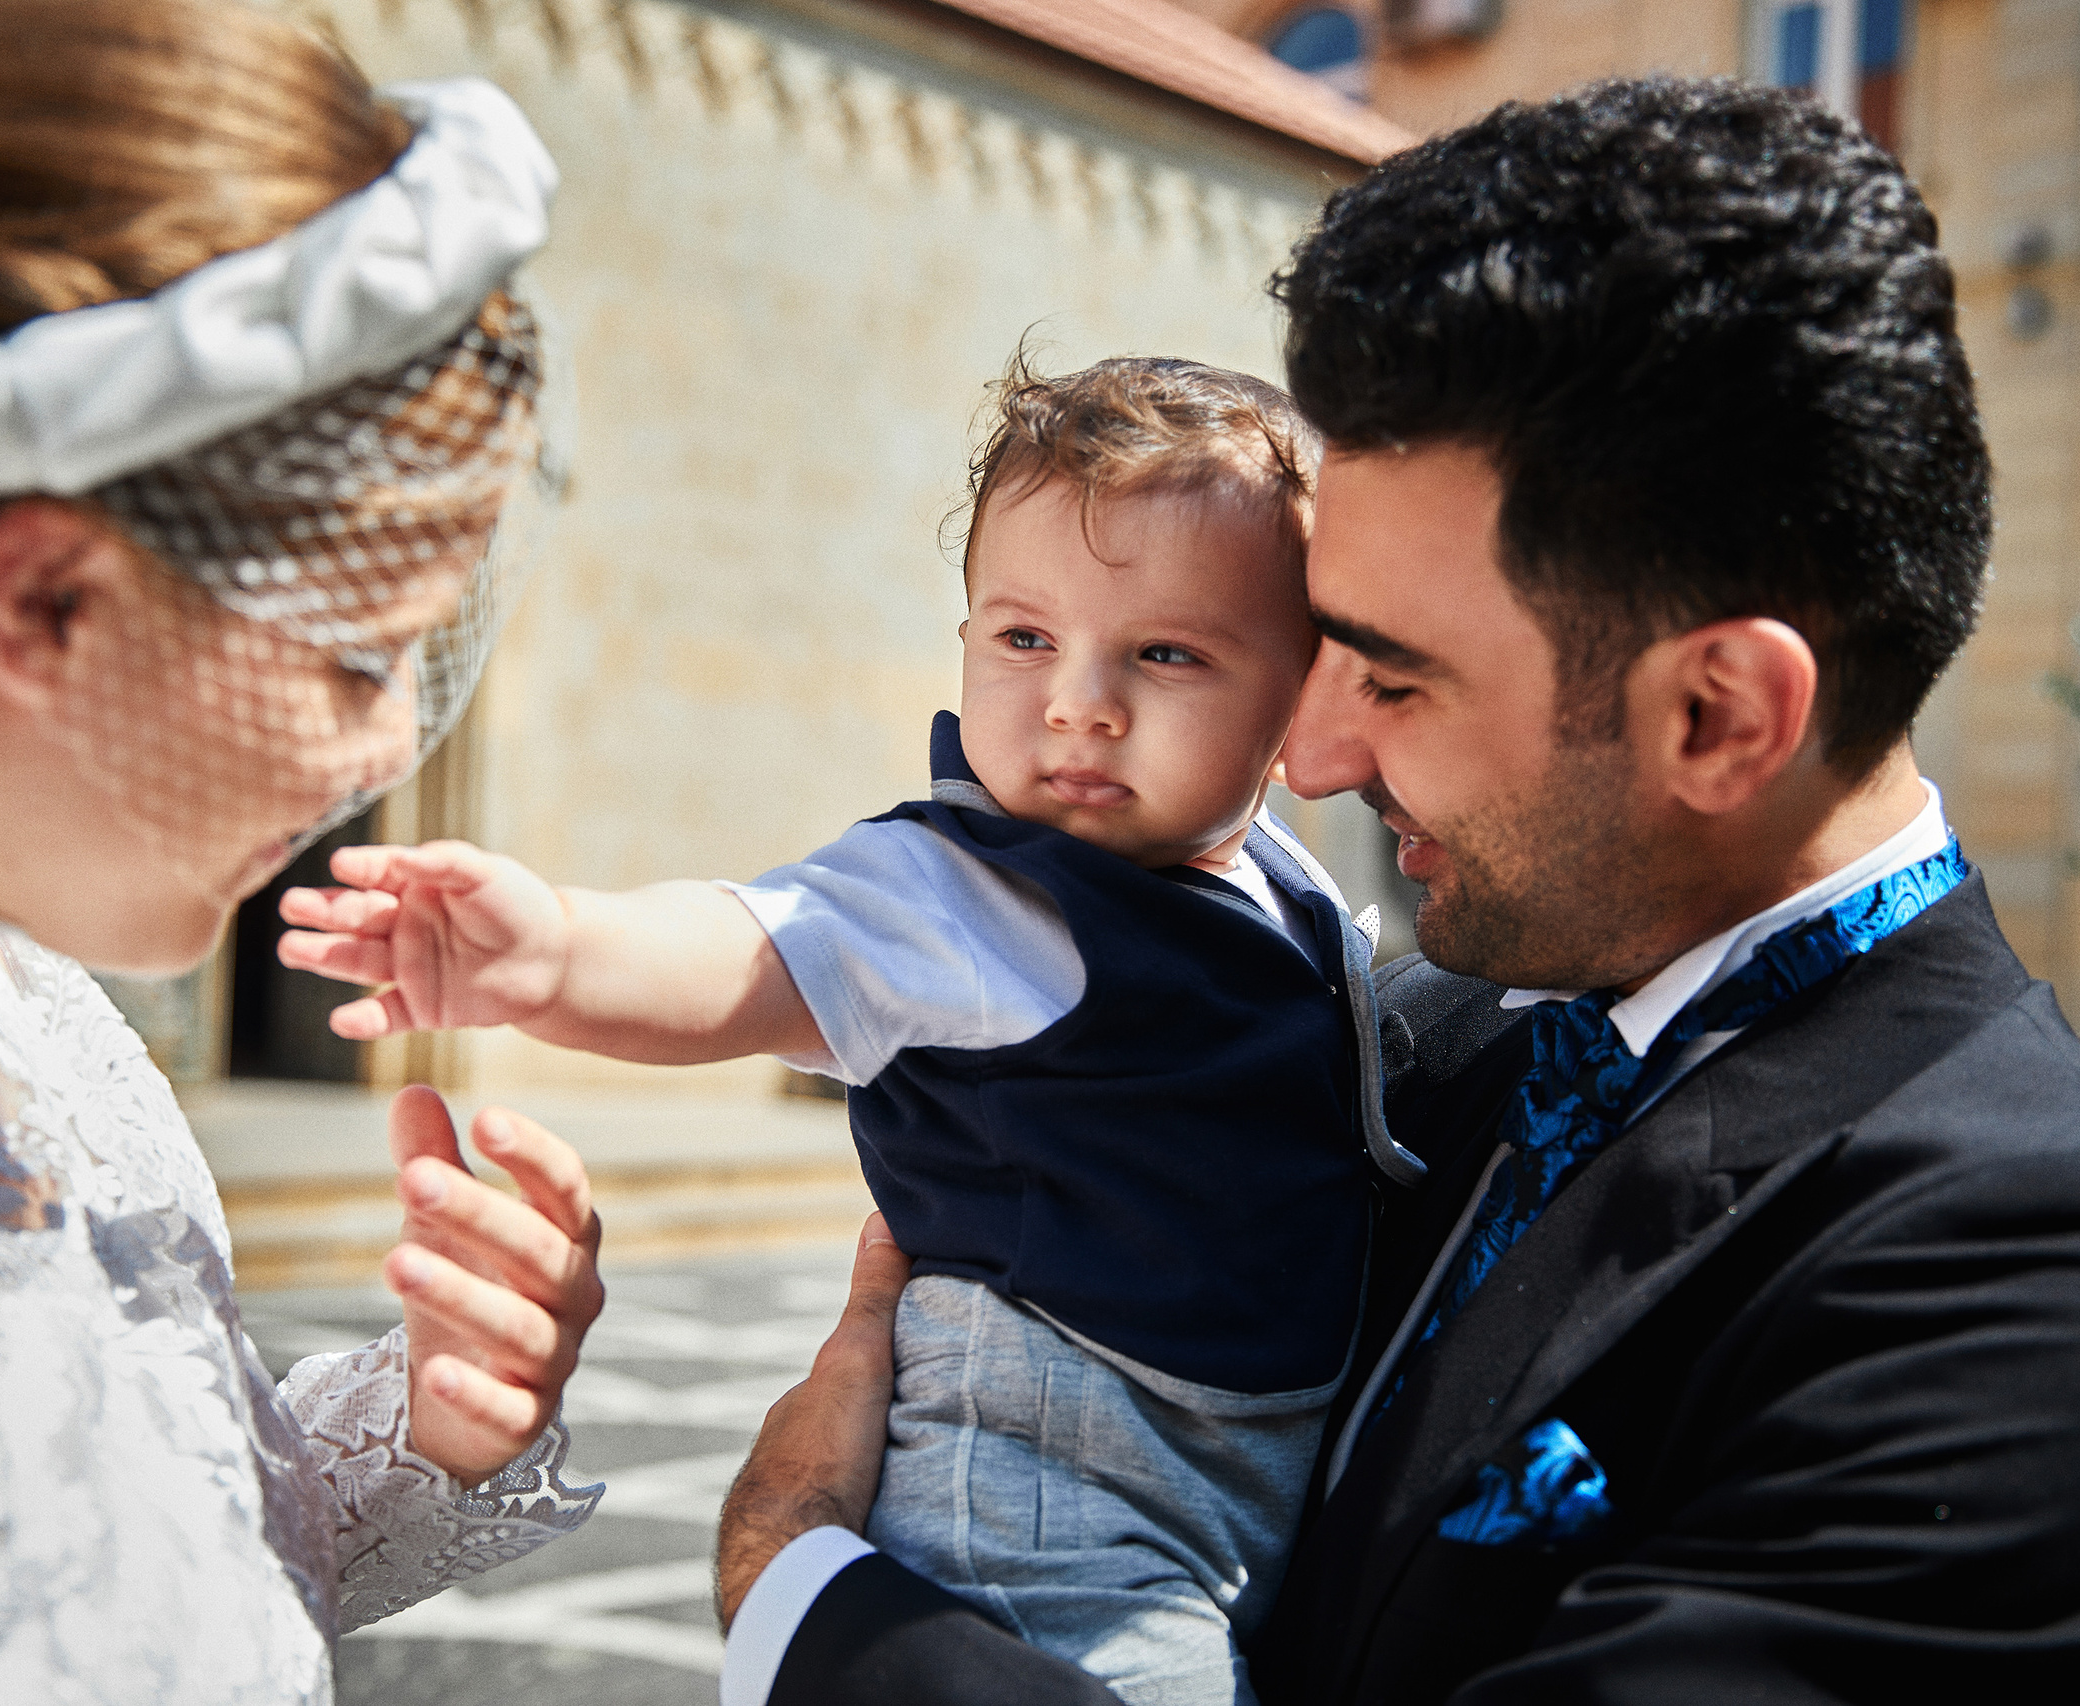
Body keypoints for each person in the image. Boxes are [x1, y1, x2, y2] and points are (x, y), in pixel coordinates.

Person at [710, 79, 2080, 1706]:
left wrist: (799, 1583)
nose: (1314, 756)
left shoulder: (2052, 1301)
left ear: (1719, 715)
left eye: (1393, 677)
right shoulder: (1396, 1036)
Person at [279, 356, 1409, 1704]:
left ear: (1301, 698)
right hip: (1051, 1490)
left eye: (1165, 654)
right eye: (1025, 639)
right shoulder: (971, 893)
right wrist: (557, 952)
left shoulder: (1280, 881)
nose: (1079, 701)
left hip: (1245, 1468)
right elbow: (760, 947)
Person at [0, 0, 606, 1695]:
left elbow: (113, 1569)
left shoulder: (19, 1009)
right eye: (353, 656)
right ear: (44, 600)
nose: (394, 745)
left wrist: (421, 1426)